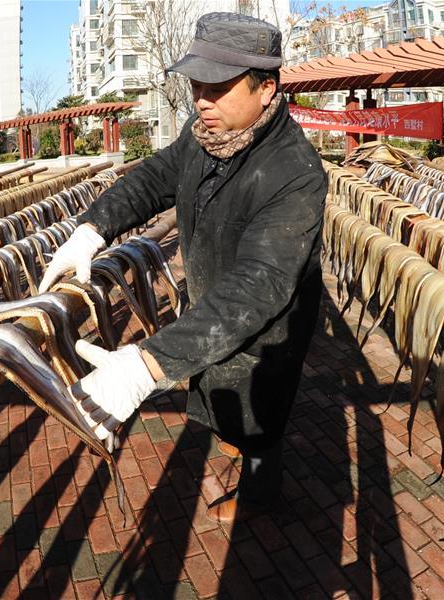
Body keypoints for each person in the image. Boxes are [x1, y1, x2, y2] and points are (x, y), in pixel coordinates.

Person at [39, 12, 326, 522]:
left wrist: (144, 365)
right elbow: (151, 179)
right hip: (210, 307)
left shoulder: (294, 172)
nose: (202, 101)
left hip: (263, 329)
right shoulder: (204, 137)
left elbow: (258, 287)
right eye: (197, 86)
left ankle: (262, 495)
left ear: (267, 88)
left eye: (217, 87)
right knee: (219, 395)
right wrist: (91, 230)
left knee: (261, 416)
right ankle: (238, 446)